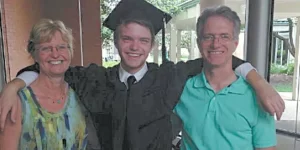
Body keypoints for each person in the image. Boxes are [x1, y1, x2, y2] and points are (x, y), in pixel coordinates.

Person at [0, 0, 284, 149]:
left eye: (143, 40)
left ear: (151, 44)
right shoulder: (95, 79)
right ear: (116, 41)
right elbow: (54, 66)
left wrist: (256, 78)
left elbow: (217, 56)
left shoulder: (169, 77)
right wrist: (15, 83)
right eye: (127, 39)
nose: (135, 47)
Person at [174, 6, 276, 150]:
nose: (216, 44)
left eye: (224, 36)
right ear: (198, 43)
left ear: (235, 43)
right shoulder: (182, 89)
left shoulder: (257, 97)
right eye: (208, 37)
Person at [0, 19, 88, 149]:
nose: (55, 54)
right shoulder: (18, 103)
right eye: (46, 48)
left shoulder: (80, 94)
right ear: (34, 54)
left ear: (70, 51)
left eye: (62, 47)